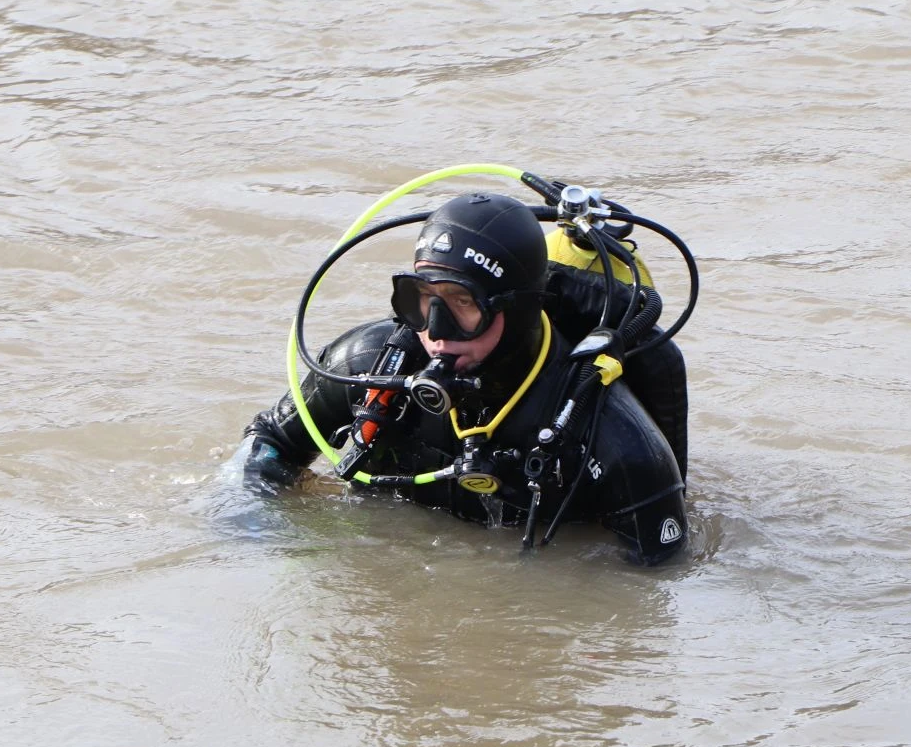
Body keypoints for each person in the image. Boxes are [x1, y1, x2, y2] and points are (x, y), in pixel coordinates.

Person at [239, 191, 689, 565]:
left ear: (516, 312)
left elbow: (655, 585)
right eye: (422, 298)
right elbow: (269, 443)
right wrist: (257, 539)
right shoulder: (365, 363)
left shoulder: (617, 441)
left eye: (463, 303)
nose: (435, 331)